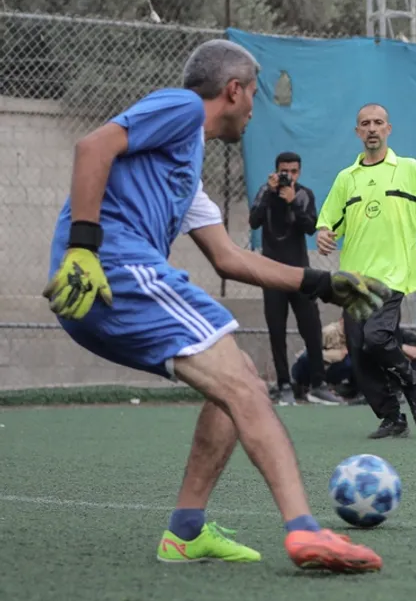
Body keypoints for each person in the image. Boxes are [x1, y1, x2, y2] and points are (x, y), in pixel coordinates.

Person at [43, 40, 384, 572]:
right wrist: (84, 249)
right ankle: (304, 531)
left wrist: (321, 282)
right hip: (109, 269)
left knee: (237, 376)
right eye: (253, 97)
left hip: (103, 287)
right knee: (246, 384)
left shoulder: (182, 168)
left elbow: (229, 257)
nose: (254, 110)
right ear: (234, 90)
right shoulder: (181, 108)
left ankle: (185, 532)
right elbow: (92, 146)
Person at [316, 103, 416, 439]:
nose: (372, 128)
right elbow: (328, 221)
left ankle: (415, 387)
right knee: (359, 352)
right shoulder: (346, 179)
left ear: (388, 129)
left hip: (393, 275)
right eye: (365, 124)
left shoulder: (409, 169)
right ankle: (392, 417)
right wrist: (323, 234)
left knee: (377, 338)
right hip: (353, 281)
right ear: (357, 132)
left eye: (378, 123)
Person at [248, 151, 341, 406]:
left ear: (299, 172)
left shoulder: (304, 194)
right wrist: (270, 193)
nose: (288, 176)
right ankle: (284, 384)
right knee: (276, 330)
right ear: (276, 170)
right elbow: (254, 221)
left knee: (311, 327)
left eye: (293, 171)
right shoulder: (265, 192)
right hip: (271, 273)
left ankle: (318, 384)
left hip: (300, 273)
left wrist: (292, 203)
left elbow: (311, 227)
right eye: (284, 171)